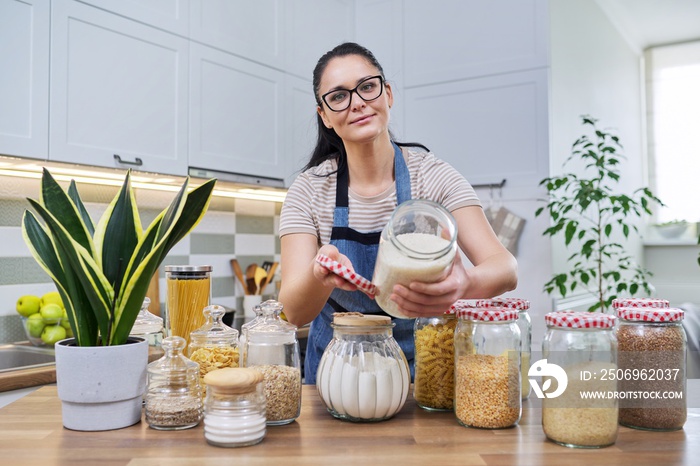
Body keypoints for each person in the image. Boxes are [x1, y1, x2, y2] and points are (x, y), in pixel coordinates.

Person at [278, 42, 517, 384]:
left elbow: (505, 268)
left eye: (367, 87)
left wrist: (467, 282)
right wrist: (321, 275)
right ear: (325, 116)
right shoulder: (309, 190)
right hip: (335, 377)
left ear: (387, 94)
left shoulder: (433, 177)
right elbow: (291, 313)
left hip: (426, 374)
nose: (357, 102)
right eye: (338, 96)